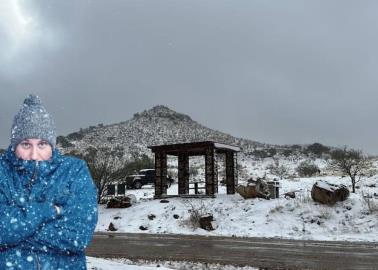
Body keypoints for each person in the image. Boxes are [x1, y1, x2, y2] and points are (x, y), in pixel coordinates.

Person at [0, 94, 98, 269]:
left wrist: (15, 235)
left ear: (52, 145)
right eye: (26, 144)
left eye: (42, 144)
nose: (34, 155)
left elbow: (78, 236)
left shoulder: (74, 171)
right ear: (14, 145)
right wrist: (47, 211)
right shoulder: (2, 172)